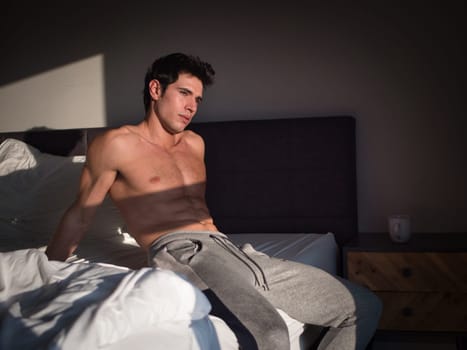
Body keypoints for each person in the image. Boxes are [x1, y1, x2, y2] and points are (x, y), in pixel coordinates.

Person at [46, 52, 381, 349]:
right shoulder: (116, 144)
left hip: (232, 251)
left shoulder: (195, 144)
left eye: (198, 99)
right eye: (184, 93)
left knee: (362, 306)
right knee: (272, 333)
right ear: (155, 90)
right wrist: (48, 270)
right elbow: (81, 214)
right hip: (181, 254)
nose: (192, 106)